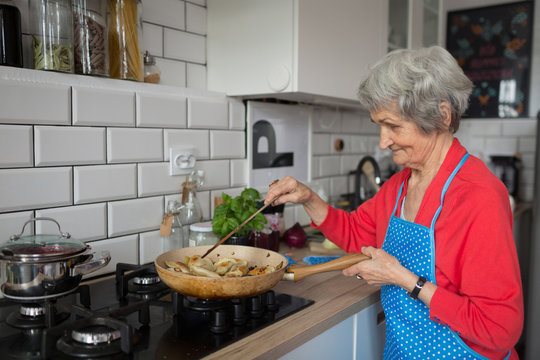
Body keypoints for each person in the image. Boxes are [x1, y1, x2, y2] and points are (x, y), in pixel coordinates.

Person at [265, 46, 523, 360]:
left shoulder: (478, 196)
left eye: (394, 126)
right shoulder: (401, 185)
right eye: (380, 126)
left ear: (441, 116)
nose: (383, 141)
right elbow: (356, 234)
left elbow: (499, 328)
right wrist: (309, 199)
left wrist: (403, 279)